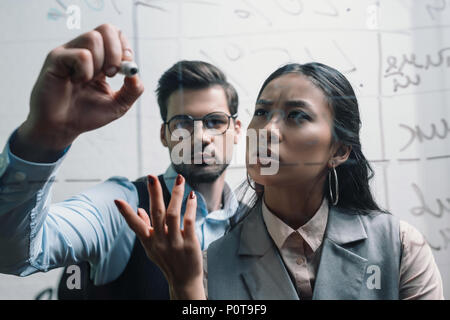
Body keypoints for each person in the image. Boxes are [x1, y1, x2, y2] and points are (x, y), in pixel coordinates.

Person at [116, 62, 445, 300]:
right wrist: (186, 288)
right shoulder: (209, 264)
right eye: (262, 112)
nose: (267, 131)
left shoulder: (400, 247)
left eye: (296, 116)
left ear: (339, 150)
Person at [0, 24, 243, 299]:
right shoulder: (122, 208)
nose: (201, 137)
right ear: (164, 135)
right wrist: (43, 137)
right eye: (182, 124)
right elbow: (12, 253)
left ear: (236, 130)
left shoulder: (256, 220)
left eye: (214, 122)